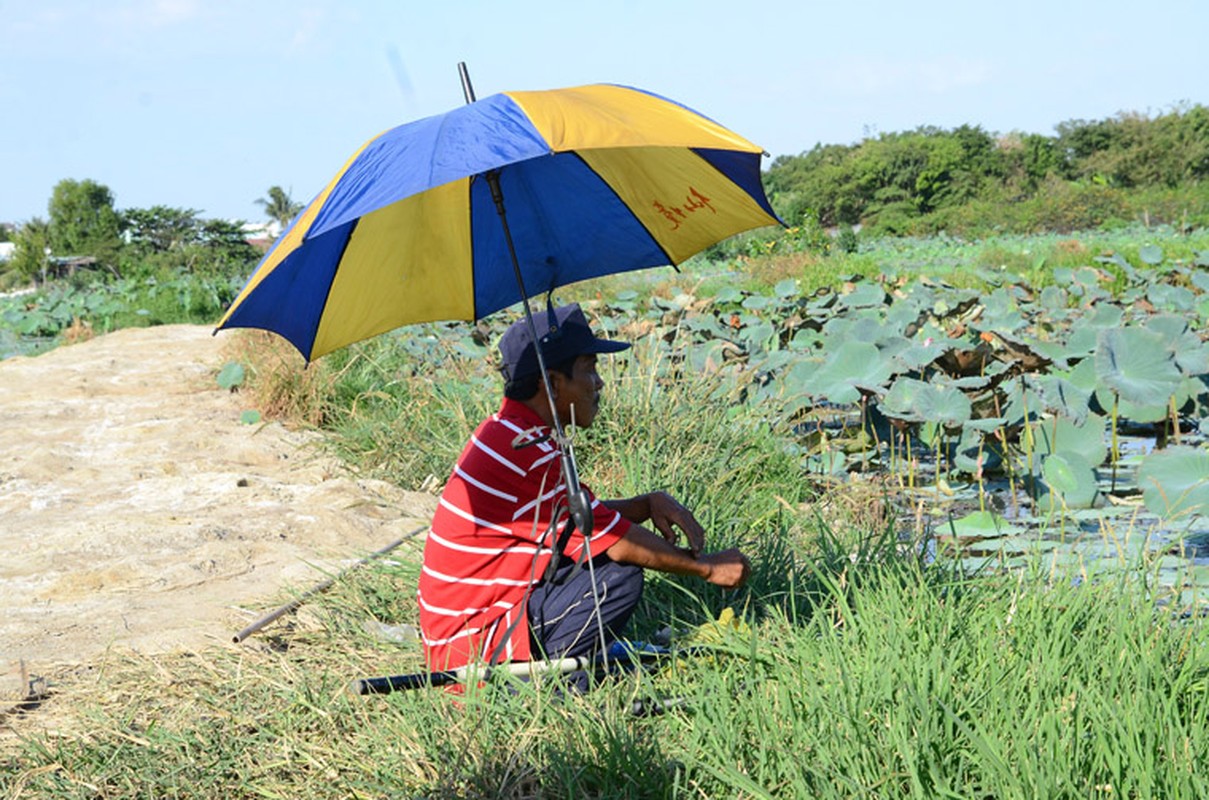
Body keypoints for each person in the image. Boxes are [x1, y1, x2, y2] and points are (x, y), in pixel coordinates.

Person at [417, 302, 751, 681]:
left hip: (462, 635)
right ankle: (547, 688)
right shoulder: (525, 453)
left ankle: (561, 667)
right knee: (618, 576)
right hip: (472, 653)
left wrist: (645, 504)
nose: (600, 383)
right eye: (590, 369)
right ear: (554, 383)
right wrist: (708, 568)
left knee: (597, 559)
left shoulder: (507, 431)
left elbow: (575, 523)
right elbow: (614, 541)